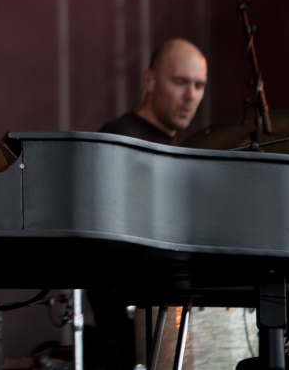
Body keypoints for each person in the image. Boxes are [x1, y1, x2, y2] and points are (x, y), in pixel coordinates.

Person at [85, 38, 207, 370]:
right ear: (150, 80)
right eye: (180, 81)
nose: (191, 95)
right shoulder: (119, 139)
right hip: (129, 335)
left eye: (199, 85)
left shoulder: (183, 150)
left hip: (172, 324)